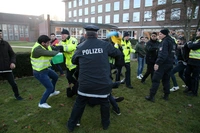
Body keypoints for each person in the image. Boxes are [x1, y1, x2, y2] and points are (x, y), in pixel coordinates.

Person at [66, 25, 121, 132]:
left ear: (85, 35)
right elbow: (118, 54)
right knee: (104, 103)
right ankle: (105, 124)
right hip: (103, 83)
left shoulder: (80, 47)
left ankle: (71, 125)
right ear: (97, 35)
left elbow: (73, 61)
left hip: (85, 85)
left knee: (79, 104)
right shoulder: (105, 45)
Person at [30, 35, 61, 108]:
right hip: (39, 72)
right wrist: (59, 53)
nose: (49, 44)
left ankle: (52, 92)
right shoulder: (37, 49)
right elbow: (50, 53)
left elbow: (52, 48)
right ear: (43, 43)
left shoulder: (45, 46)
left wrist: (60, 48)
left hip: (46, 69)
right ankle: (42, 103)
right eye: (48, 43)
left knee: (55, 77)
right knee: (49, 87)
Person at [145, 28, 176, 102]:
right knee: (166, 80)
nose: (159, 35)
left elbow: (163, 54)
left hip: (163, 64)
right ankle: (166, 95)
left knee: (155, 80)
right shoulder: (172, 41)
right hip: (170, 63)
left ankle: (151, 96)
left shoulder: (164, 42)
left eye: (160, 34)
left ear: (164, 34)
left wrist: (157, 63)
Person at [0, 29, 23, 100]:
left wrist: (12, 62)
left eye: (0, 33)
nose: (0, 34)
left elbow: (12, 54)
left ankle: (17, 96)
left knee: (13, 84)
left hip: (7, 69)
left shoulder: (5, 44)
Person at [184, 28, 200, 96]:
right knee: (186, 74)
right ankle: (190, 87)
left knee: (195, 77)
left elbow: (193, 46)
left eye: (198, 32)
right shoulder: (196, 40)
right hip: (191, 61)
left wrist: (190, 44)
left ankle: (194, 92)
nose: (197, 33)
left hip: (198, 62)